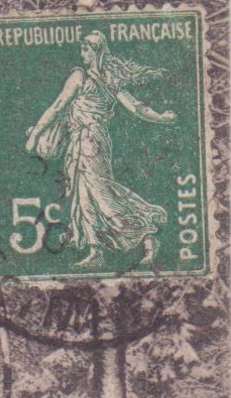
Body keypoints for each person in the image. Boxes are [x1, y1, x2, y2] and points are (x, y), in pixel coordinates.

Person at [25, 31, 176, 267]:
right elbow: (136, 107)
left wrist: (35, 135)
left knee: (97, 191)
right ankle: (96, 248)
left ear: (95, 51)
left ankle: (143, 231)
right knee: (81, 191)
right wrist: (161, 117)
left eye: (85, 49)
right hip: (86, 139)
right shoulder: (109, 79)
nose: (82, 53)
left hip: (89, 140)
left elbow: (56, 107)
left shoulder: (80, 76)